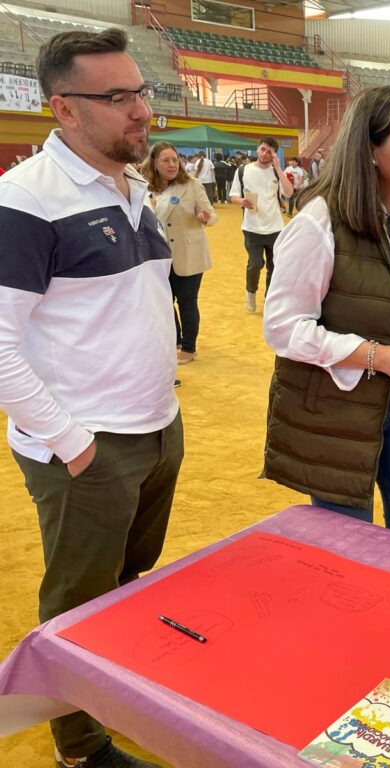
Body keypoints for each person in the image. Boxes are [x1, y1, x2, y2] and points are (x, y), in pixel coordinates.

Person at [0, 28, 182, 768]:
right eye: (117, 98)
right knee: (78, 600)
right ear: (64, 109)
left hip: (155, 430)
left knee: (124, 588)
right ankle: (79, 745)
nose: (140, 111)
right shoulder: (25, 200)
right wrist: (75, 445)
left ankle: (108, 693)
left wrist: (165, 417)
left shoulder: (131, 185)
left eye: (141, 92)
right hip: (88, 449)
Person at [263, 85, 390, 541]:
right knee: (350, 559)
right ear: (370, 151)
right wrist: (376, 356)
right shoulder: (319, 222)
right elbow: (281, 327)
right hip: (341, 407)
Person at [143, 140, 217, 365]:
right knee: (164, 302)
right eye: (166, 160)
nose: (172, 164)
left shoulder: (192, 185)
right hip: (158, 257)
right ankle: (174, 338)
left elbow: (211, 214)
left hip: (188, 254)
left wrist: (205, 217)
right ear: (154, 163)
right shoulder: (144, 188)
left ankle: (188, 346)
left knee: (187, 301)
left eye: (175, 159)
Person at [228, 136, 293, 314]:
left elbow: (288, 192)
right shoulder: (243, 170)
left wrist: (278, 168)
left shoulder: (276, 172)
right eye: (263, 149)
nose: (265, 153)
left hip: (275, 227)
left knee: (275, 266)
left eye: (270, 151)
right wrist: (241, 201)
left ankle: (269, 299)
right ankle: (251, 292)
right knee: (255, 263)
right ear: (257, 149)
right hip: (252, 227)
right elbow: (233, 195)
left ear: (274, 154)